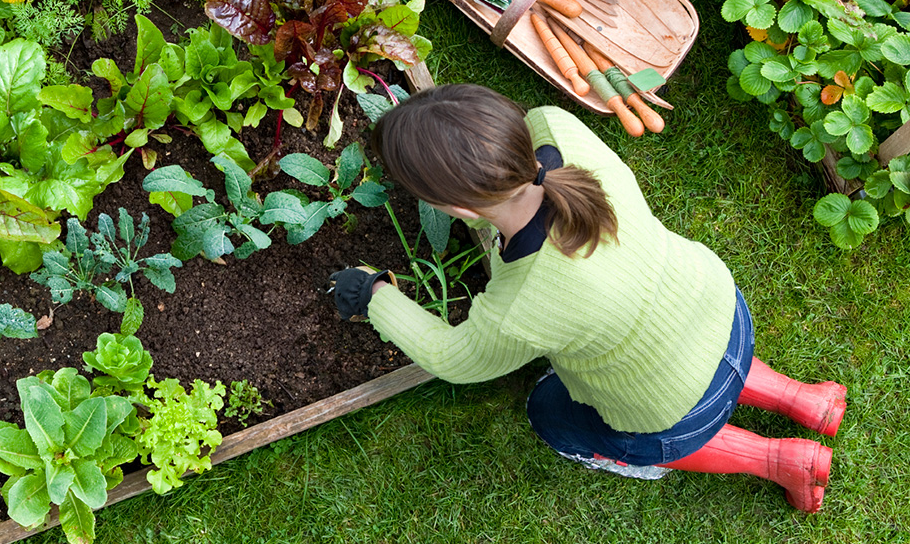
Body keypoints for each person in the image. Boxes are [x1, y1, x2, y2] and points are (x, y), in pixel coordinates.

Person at [329, 84, 846, 512]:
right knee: (685, 351)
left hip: (671, 409)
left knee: (550, 413)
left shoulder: (522, 305)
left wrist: (373, 294)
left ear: (459, 210)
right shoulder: (556, 127)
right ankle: (805, 400)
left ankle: (780, 460)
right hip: (720, 310)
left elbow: (453, 358)